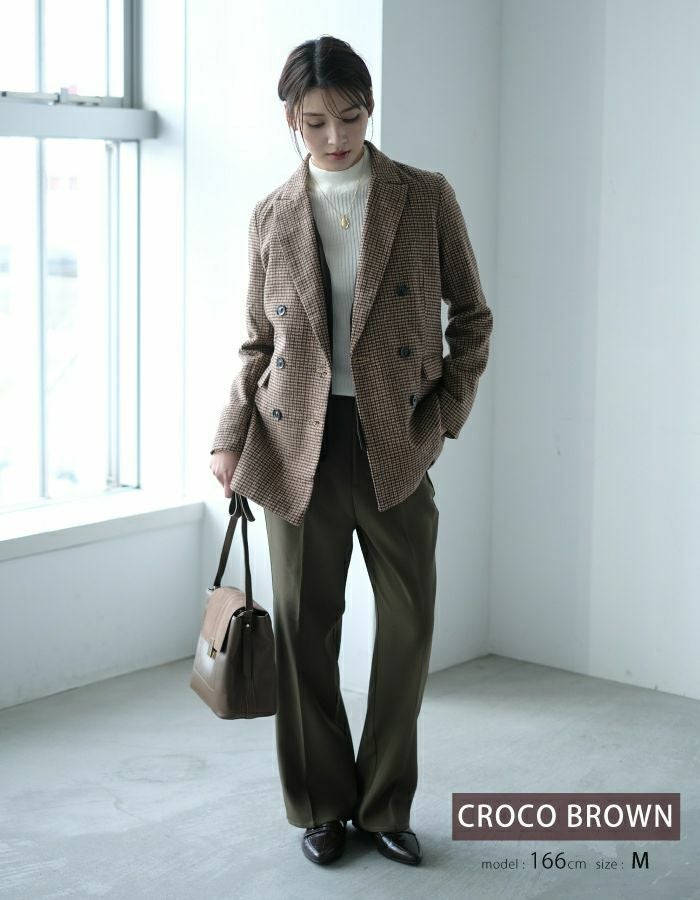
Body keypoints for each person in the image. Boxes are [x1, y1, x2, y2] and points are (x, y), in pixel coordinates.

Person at [210, 35, 493, 867]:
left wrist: (442, 418)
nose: (336, 137)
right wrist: (229, 438)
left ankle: (384, 804)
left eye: (351, 116)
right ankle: (322, 804)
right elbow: (256, 343)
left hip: (396, 440)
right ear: (291, 121)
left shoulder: (423, 196)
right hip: (295, 444)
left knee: (407, 628)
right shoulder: (272, 215)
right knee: (306, 632)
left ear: (370, 108)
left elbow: (472, 317)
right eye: (316, 122)